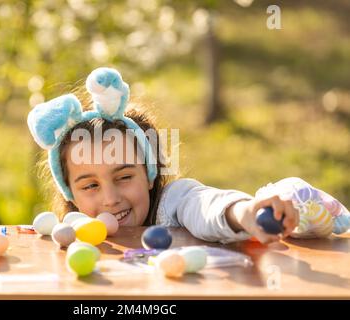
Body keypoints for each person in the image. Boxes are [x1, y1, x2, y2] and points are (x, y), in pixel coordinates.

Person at [27, 67, 350, 244]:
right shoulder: (72, 234)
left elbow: (205, 205)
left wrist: (244, 212)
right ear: (69, 193)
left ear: (149, 174)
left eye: (124, 176)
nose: (111, 199)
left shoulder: (173, 204)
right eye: (90, 186)